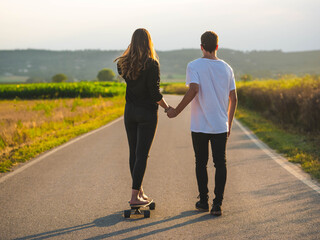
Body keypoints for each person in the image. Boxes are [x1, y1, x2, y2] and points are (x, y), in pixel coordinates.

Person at [167, 31, 237, 216]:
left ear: (201, 46)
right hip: (220, 125)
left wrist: (176, 111)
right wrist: (228, 123)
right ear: (217, 46)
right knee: (220, 163)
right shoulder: (227, 68)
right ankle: (217, 204)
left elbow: (194, 89)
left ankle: (204, 201)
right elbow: (234, 98)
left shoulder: (193, 65)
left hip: (199, 125)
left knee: (201, 163)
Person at [115, 28, 171, 206]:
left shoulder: (123, 63)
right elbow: (155, 94)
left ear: (132, 42)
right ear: (149, 42)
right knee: (142, 154)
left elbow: (127, 73)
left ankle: (139, 192)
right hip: (146, 113)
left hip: (129, 112)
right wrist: (167, 108)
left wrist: (129, 52)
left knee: (134, 153)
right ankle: (134, 197)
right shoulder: (152, 64)